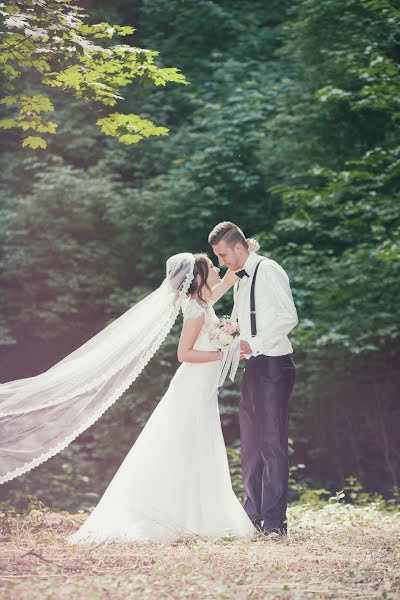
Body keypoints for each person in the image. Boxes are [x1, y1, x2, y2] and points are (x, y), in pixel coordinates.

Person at [0, 246, 257, 543]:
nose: (216, 270)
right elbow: (183, 353)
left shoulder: (201, 302)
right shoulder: (197, 310)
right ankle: (177, 516)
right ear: (199, 278)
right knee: (186, 442)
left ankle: (194, 514)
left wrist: (240, 262)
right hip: (192, 385)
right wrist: (226, 351)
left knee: (193, 443)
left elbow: (222, 286)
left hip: (200, 386)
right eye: (212, 266)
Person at [209, 222, 298, 536]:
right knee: (251, 441)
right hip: (254, 367)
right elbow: (241, 320)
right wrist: (228, 332)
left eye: (222, 255)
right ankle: (253, 514)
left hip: (275, 365)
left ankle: (275, 522)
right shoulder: (239, 279)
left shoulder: (269, 270)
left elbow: (289, 317)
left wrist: (254, 344)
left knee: (272, 443)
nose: (221, 262)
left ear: (237, 247)